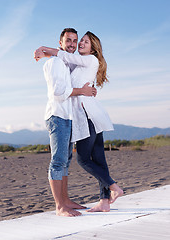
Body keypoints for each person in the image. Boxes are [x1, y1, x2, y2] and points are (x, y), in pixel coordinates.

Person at [34, 31, 123, 212]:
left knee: (83, 160)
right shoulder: (70, 64)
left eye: (83, 41)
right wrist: (48, 54)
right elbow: (64, 68)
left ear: (93, 47)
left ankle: (113, 187)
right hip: (83, 114)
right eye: (77, 40)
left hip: (87, 115)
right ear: (61, 41)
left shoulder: (89, 59)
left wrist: (47, 50)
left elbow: (65, 58)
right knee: (97, 158)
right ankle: (104, 201)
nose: (79, 43)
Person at [36, 28, 97, 217]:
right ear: (60, 43)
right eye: (68, 40)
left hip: (68, 116)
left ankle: (66, 200)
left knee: (65, 161)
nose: (72, 44)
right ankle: (59, 206)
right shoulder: (55, 63)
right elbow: (58, 92)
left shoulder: (65, 63)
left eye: (74, 40)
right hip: (57, 116)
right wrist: (82, 91)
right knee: (58, 161)